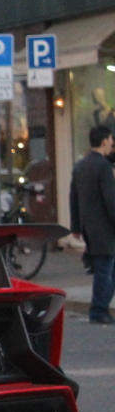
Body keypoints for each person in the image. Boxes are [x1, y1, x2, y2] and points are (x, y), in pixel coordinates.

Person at [69, 125, 115, 324]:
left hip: (89, 227)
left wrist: (76, 226)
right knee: (105, 271)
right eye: (111, 140)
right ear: (104, 141)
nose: (112, 143)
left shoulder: (80, 165)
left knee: (106, 269)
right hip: (105, 228)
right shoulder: (103, 167)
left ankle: (101, 308)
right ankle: (98, 311)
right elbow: (111, 200)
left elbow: (74, 197)